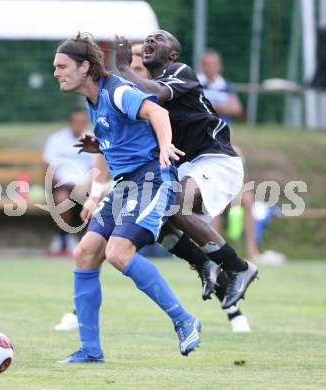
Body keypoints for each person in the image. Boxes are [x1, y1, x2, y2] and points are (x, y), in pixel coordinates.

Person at [53, 32, 201, 363]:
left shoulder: (117, 90)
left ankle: (184, 320)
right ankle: (90, 350)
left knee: (118, 252)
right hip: (124, 185)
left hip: (151, 178)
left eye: (62, 66)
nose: (56, 73)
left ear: (84, 66)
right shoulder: (94, 101)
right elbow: (107, 148)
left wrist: (165, 145)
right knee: (85, 252)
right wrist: (93, 194)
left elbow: (158, 114)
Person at [115, 30, 258, 323]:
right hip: (188, 166)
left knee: (176, 204)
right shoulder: (146, 92)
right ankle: (203, 263)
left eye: (159, 38)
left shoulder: (180, 72)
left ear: (173, 54)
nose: (150, 42)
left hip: (217, 159)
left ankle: (239, 268)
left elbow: (158, 92)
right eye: (148, 40)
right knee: (157, 218)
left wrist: (124, 69)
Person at [198, 50, 286, 266]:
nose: (211, 67)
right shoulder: (197, 84)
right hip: (204, 163)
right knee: (214, 203)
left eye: (215, 63)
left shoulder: (224, 86)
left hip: (225, 165)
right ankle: (215, 253)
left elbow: (236, 107)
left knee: (247, 199)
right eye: (207, 63)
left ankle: (252, 251)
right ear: (202, 65)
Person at [43, 107, 95, 257]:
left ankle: (93, 244)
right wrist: (59, 183)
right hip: (61, 186)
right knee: (62, 199)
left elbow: (96, 169)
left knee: (100, 203)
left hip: (85, 187)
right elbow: (48, 168)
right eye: (76, 121)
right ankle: (66, 238)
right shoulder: (56, 140)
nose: (79, 124)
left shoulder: (92, 140)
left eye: (82, 121)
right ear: (70, 122)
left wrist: (87, 184)